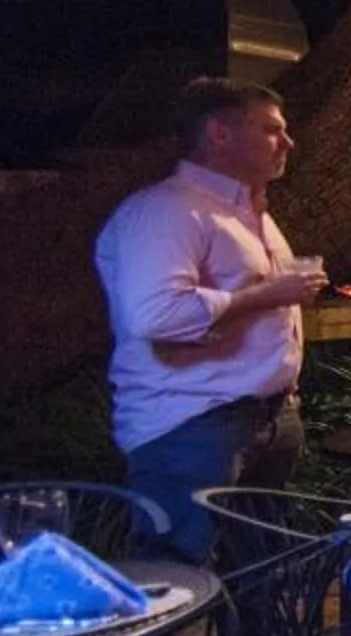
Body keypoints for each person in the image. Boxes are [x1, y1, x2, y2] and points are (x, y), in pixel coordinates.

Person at [93, 78, 324, 565]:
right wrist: (265, 295)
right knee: (174, 579)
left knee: (262, 574)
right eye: (271, 130)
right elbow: (156, 314)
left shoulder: (247, 214)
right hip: (193, 423)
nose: (288, 143)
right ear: (219, 133)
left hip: (266, 416)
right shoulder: (166, 211)